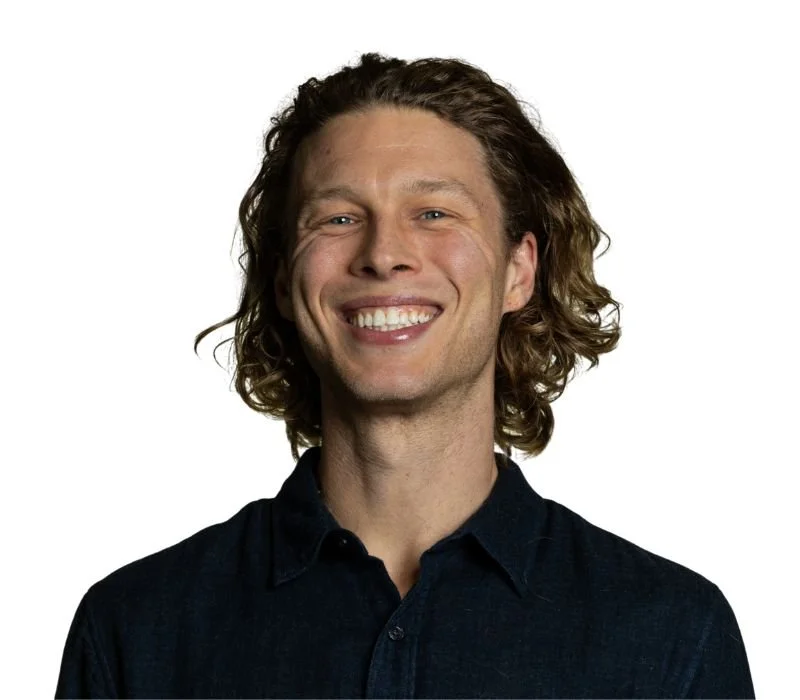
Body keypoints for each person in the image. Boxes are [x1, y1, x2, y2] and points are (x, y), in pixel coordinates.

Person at [55, 52, 755, 698]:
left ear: (519, 270)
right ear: (282, 279)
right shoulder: (135, 630)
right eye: (337, 217)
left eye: (433, 212)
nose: (384, 253)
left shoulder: (672, 636)